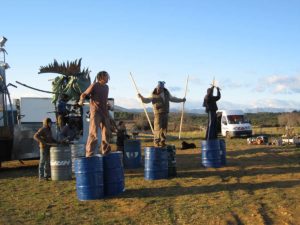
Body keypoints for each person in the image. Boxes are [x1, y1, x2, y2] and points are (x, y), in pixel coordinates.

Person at [138, 81, 186, 147]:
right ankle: (156, 142)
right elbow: (146, 100)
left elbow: (172, 98)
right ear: (157, 87)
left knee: (164, 128)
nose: (158, 89)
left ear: (163, 88)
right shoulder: (153, 94)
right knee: (157, 128)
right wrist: (141, 97)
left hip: (166, 113)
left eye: (160, 88)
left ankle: (162, 142)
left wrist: (181, 100)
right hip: (158, 114)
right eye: (158, 88)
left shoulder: (166, 92)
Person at [78, 71, 111, 156]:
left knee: (106, 133)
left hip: (105, 112)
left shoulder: (106, 87)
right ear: (102, 77)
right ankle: (89, 154)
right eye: (106, 76)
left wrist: (108, 104)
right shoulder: (94, 85)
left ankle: (106, 153)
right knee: (94, 133)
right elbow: (84, 94)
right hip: (96, 112)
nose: (108, 78)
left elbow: (105, 99)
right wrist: (81, 100)